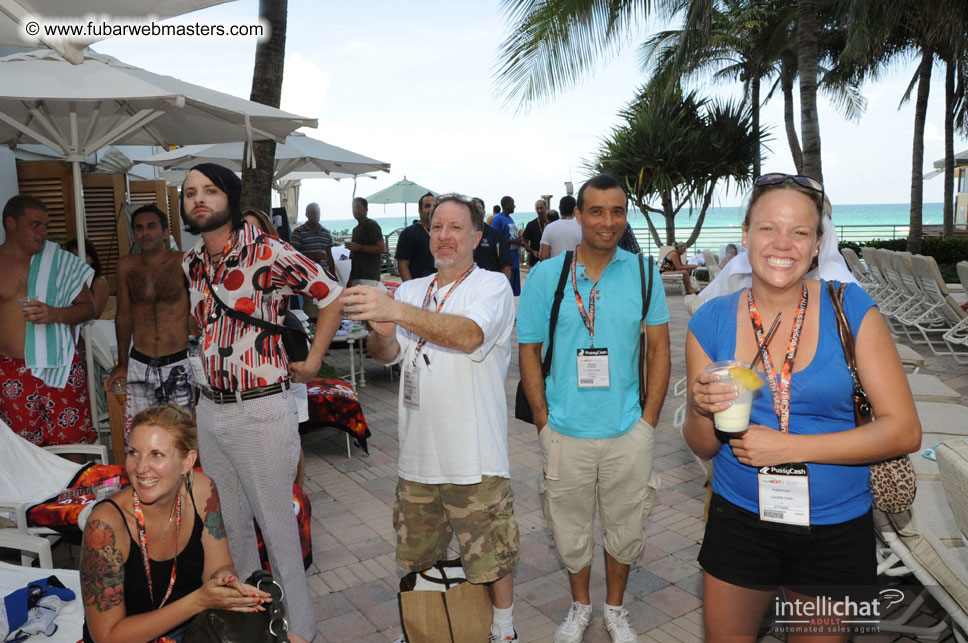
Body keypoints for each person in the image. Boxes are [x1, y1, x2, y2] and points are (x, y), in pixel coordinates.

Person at [684, 173, 921, 642]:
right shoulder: (709, 321)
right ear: (747, 234)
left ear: (817, 245)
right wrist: (701, 408)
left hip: (835, 525)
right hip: (740, 519)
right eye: (768, 228)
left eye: (800, 232)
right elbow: (703, 446)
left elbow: (904, 431)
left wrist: (787, 446)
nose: (782, 244)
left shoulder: (851, 310)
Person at [341, 194, 520, 643]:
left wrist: (395, 310)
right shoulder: (412, 289)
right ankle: (420, 625)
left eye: (456, 227)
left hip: (474, 455)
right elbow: (387, 355)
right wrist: (379, 331)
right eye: (437, 226)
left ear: (476, 237)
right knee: (418, 554)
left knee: (491, 554)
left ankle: (503, 629)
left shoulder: (491, 287)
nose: (444, 236)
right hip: (417, 454)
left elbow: (468, 335)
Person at [181, 163, 343, 643]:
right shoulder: (190, 262)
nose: (198, 200)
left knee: (277, 531)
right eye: (190, 193)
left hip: (261, 409)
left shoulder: (267, 252)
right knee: (232, 529)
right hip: (210, 411)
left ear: (229, 197)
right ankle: (259, 629)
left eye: (209, 190)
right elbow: (201, 328)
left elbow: (331, 296)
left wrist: (313, 362)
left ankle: (301, 634)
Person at [518, 174, 671, 643]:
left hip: (627, 430)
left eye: (617, 211)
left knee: (626, 527)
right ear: (578, 215)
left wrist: (648, 423)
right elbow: (528, 350)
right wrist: (544, 422)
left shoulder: (645, 274)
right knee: (569, 528)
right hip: (564, 430)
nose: (608, 222)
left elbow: (659, 351)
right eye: (597, 211)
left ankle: (616, 609)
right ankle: (581, 605)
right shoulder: (546, 275)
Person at [80, 405, 271, 643]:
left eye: (156, 454)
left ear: (187, 462)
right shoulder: (106, 526)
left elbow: (219, 566)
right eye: (133, 452)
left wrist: (224, 582)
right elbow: (107, 637)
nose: (140, 468)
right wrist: (199, 600)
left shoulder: (202, 491)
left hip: (196, 631)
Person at [0, 195, 96, 446]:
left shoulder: (59, 262)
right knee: (25, 450)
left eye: (46, 226)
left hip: (61, 364)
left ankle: (75, 488)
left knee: (72, 441)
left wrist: (56, 314)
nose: (43, 232)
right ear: (11, 224)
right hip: (12, 372)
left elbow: (88, 308)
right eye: (35, 225)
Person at [107, 204, 194, 442]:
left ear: (166, 232)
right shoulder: (127, 266)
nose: (145, 233)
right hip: (140, 362)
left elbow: (199, 311)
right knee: (140, 435)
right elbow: (123, 315)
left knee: (183, 437)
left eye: (151, 227)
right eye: (139, 228)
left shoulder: (183, 262)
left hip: (178, 362)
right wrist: (122, 363)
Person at [396, 192, 437, 281]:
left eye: (435, 206)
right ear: (420, 211)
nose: (431, 209)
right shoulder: (409, 233)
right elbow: (403, 264)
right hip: (419, 287)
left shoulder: (441, 232)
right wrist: (409, 288)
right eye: (427, 206)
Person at [346, 196, 385, 286]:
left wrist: (359, 247)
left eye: (358, 207)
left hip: (369, 277)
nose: (355, 210)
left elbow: (381, 248)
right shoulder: (355, 229)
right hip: (357, 276)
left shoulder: (372, 225)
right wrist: (350, 278)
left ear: (365, 210)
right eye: (353, 208)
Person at [66, 238, 109, 318]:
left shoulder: (99, 282)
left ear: (92, 259)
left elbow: (93, 314)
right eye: (75, 257)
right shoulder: (68, 281)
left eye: (83, 256)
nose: (79, 261)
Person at [471, 197, 513, 280]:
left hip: (489, 286)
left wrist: (503, 286)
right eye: (472, 211)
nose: (475, 214)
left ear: (484, 213)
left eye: (477, 211)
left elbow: (506, 265)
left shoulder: (495, 235)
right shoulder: (460, 235)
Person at [490, 196, 522, 295]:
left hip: (514, 260)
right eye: (513, 204)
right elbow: (494, 238)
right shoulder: (498, 219)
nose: (514, 206)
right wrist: (513, 242)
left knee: (512, 292)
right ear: (507, 205)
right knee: (504, 292)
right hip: (506, 261)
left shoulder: (509, 218)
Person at [539, 195, 581, 260]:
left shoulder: (549, 228)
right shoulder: (582, 228)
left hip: (555, 268)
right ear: (575, 209)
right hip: (576, 268)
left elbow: (543, 256)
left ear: (559, 208)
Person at [521, 198, 549, 267]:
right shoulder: (531, 224)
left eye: (541, 208)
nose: (539, 211)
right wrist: (532, 251)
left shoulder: (552, 224)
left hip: (550, 261)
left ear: (546, 208)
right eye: (537, 208)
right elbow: (524, 241)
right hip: (534, 262)